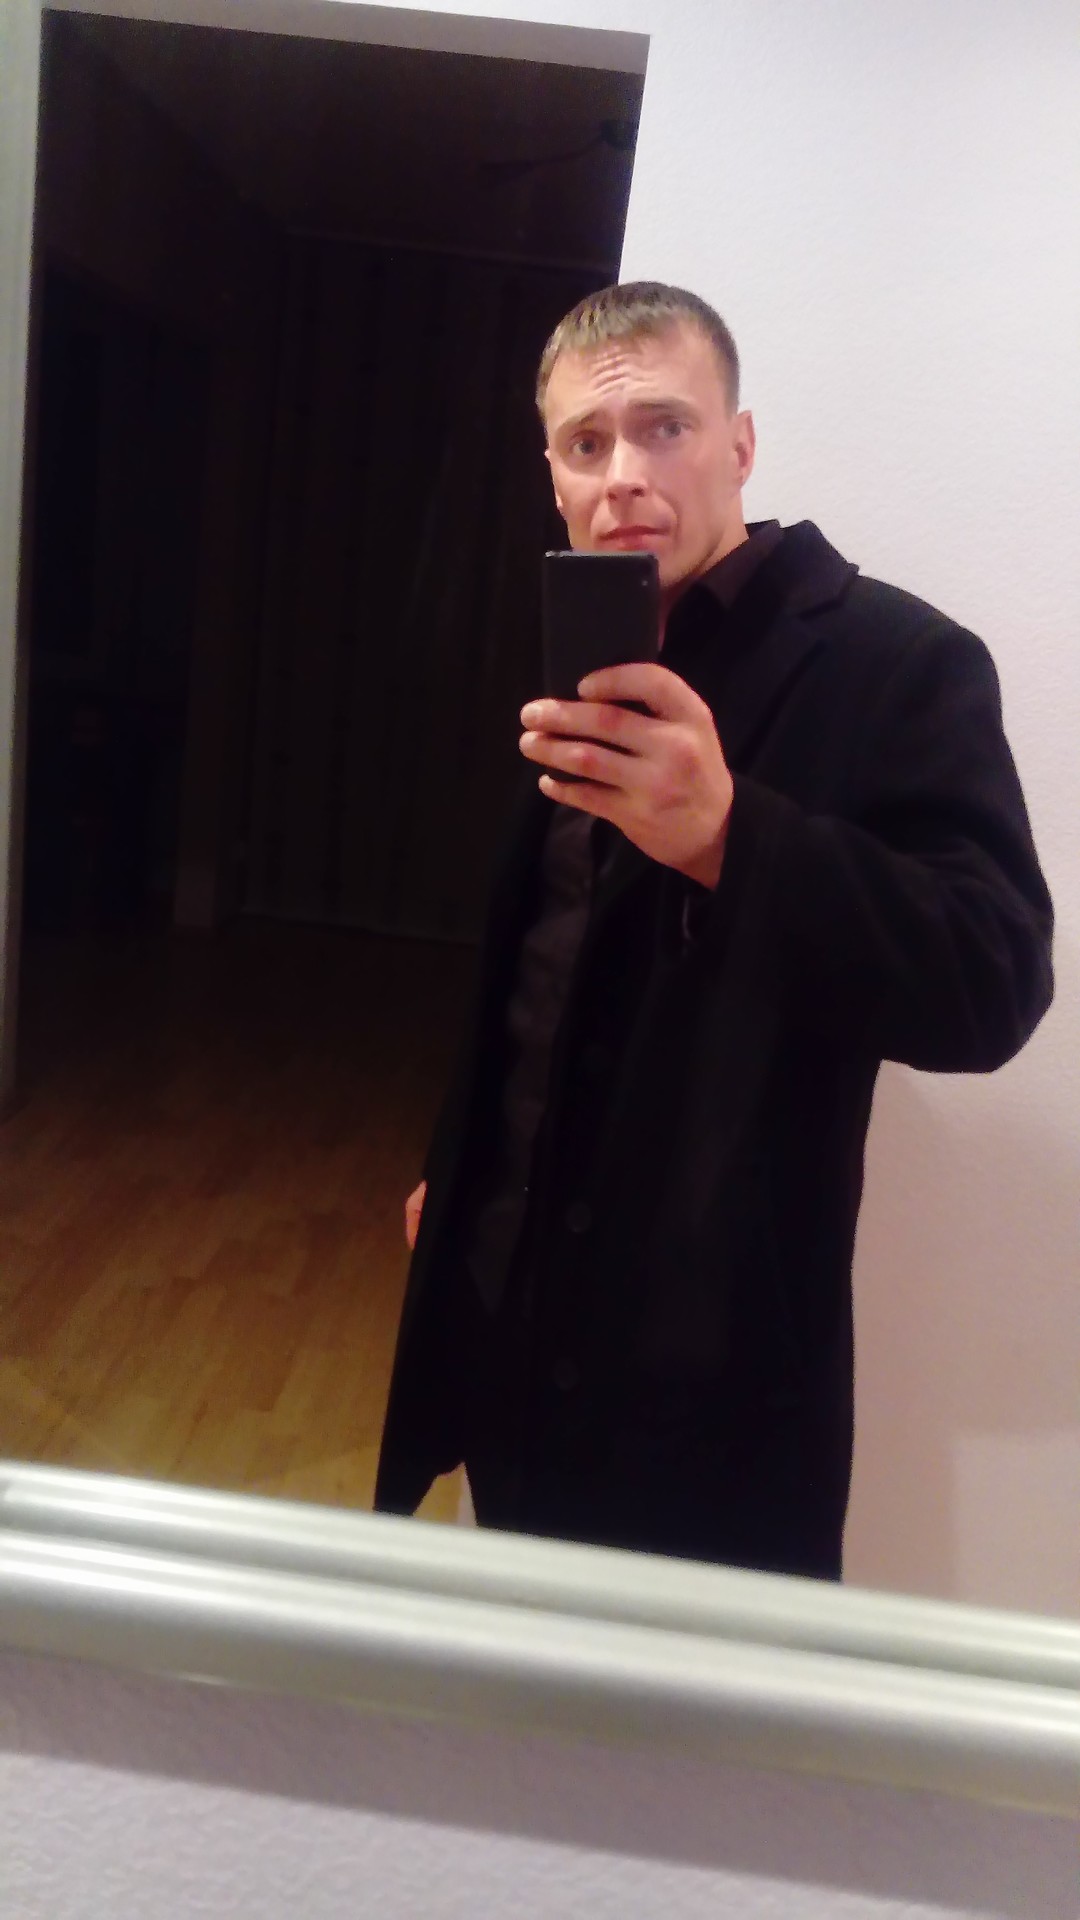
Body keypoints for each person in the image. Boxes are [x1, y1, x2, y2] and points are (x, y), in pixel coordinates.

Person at [373, 282, 1053, 1579]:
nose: (623, 474)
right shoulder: (585, 654)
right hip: (512, 1333)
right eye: (585, 443)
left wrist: (733, 837)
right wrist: (473, 1172)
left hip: (708, 1394)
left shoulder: (897, 663)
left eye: (665, 427)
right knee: (507, 1669)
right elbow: (546, 969)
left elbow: (993, 980)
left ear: (740, 445)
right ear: (552, 475)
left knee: (671, 1710)